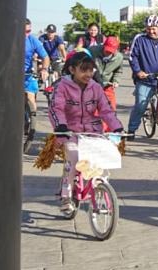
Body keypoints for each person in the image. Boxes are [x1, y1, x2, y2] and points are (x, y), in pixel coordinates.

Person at [49, 51, 123, 215]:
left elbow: (106, 110)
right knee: (74, 159)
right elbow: (56, 108)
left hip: (93, 132)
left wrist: (116, 127)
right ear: (72, 69)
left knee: (102, 161)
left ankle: (100, 192)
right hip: (69, 132)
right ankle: (66, 196)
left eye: (91, 70)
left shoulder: (96, 87)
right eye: (83, 70)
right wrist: (61, 126)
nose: (88, 74)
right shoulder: (61, 86)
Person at [23, 18, 50, 142]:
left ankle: (30, 120)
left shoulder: (33, 40)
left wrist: (44, 69)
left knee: (30, 98)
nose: (26, 34)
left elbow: (45, 57)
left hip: (27, 75)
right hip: (11, 75)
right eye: (24, 31)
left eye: (29, 31)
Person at [95, 35, 124, 112]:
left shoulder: (119, 57)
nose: (108, 52)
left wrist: (116, 81)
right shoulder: (93, 51)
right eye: (107, 50)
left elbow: (118, 71)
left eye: (111, 51)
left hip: (107, 85)